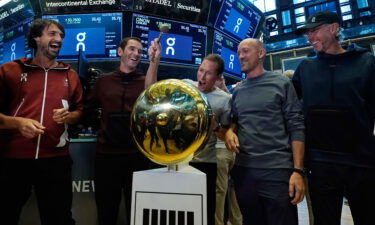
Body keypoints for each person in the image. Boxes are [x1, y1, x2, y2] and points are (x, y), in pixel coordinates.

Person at [293, 11, 375, 225]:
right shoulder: (305, 69)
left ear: (334, 28)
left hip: (361, 163)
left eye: (314, 31)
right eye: (307, 33)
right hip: (320, 164)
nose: (310, 37)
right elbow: (290, 111)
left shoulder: (366, 63)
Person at [0, 18, 83, 225]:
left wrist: (69, 116)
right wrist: (18, 123)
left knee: (59, 219)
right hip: (15, 160)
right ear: (37, 38)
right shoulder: (10, 70)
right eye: (52, 34)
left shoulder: (71, 75)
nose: (59, 39)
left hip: (56, 160)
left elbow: (79, 111)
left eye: (61, 36)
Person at [225, 38, 305, 225]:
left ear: (261, 54)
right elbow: (235, 121)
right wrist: (229, 131)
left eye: (245, 51)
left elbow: (296, 126)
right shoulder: (238, 90)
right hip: (245, 172)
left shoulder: (281, 83)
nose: (240, 57)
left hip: (277, 172)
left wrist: (298, 171)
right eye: (238, 53)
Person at [84, 37, 161, 225]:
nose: (135, 54)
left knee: (137, 213)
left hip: (136, 157)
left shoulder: (145, 81)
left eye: (140, 51)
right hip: (106, 157)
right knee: (106, 212)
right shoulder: (103, 81)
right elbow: (87, 109)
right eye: (131, 49)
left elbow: (151, 97)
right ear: (120, 52)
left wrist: (154, 62)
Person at [183, 54, 232, 225]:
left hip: (206, 164)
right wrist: (155, 61)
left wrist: (214, 126)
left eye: (208, 73)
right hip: (180, 162)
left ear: (218, 77)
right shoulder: (185, 87)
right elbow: (151, 88)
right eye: (200, 70)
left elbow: (227, 137)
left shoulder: (225, 100)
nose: (202, 77)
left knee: (205, 214)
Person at [214, 75, 242, 225]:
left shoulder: (223, 98)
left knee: (220, 193)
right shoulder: (231, 96)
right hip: (232, 151)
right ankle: (237, 221)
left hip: (221, 151)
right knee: (231, 191)